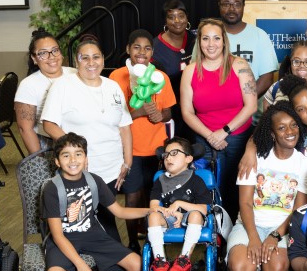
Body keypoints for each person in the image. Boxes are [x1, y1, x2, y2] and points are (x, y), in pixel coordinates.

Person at [41, 35, 133, 242]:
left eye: (96, 57)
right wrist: (76, 151)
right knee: (81, 227)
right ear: (76, 61)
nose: (91, 63)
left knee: (108, 222)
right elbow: (49, 124)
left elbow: (125, 126)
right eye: (85, 58)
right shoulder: (63, 86)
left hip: (111, 170)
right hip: (80, 172)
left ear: (103, 59)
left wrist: (127, 162)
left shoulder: (112, 87)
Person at [180, 18, 257, 220]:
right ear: (199, 42)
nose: (211, 44)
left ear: (224, 41)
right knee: (206, 191)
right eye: (205, 38)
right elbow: (187, 112)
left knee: (235, 189)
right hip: (204, 140)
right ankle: (213, 240)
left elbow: (251, 105)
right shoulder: (190, 71)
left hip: (237, 137)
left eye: (216, 38)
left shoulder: (239, 65)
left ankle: (233, 240)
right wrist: (210, 136)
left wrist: (224, 131)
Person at [42, 132, 150, 271]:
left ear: (86, 159)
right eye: (66, 155)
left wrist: (150, 211)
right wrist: (80, 264)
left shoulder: (94, 180)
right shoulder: (52, 188)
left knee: (138, 264)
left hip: (93, 236)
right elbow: (57, 235)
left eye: (78, 154)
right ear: (57, 161)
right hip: (63, 239)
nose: (73, 160)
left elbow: (120, 211)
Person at [109, 29, 177, 251]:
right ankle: (131, 244)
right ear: (128, 49)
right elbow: (111, 115)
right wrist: (137, 112)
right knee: (132, 197)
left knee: (154, 197)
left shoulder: (160, 77)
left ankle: (153, 240)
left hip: (157, 149)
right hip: (130, 149)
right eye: (137, 47)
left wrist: (160, 115)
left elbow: (168, 111)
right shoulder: (116, 77)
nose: (142, 52)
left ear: (152, 52)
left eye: (147, 48)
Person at [228, 101, 307, 271]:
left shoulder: (305, 164)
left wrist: (275, 235)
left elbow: (298, 210)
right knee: (241, 266)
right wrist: (253, 238)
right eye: (282, 128)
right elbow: (245, 203)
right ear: (272, 134)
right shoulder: (254, 159)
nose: (290, 132)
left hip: (283, 228)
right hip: (249, 225)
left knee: (275, 265)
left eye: (293, 125)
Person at [146, 137, 213, 271]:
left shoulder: (196, 180)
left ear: (188, 158)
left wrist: (178, 203)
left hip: (192, 218)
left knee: (195, 214)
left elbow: (204, 209)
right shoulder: (160, 180)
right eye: (166, 155)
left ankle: (184, 259)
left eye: (174, 153)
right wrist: (171, 211)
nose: (168, 158)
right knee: (153, 216)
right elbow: (153, 206)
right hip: (169, 217)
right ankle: (160, 261)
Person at [15, 29, 78, 156]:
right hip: (49, 145)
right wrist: (38, 159)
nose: (51, 57)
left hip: (81, 139)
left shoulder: (75, 74)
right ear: (34, 58)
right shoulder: (28, 85)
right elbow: (25, 128)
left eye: (55, 50)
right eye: (43, 53)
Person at [218, 0, 278, 95]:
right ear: (219, 6)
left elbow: (267, 78)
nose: (231, 9)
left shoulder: (260, 35)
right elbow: (197, 73)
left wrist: (246, 104)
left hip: (253, 107)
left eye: (237, 4)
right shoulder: (208, 36)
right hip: (218, 106)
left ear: (243, 6)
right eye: (226, 4)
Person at [153, 0, 196, 140]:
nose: (177, 20)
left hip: (196, 106)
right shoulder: (154, 48)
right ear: (165, 21)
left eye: (181, 16)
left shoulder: (196, 40)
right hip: (172, 109)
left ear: (187, 18)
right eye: (171, 17)